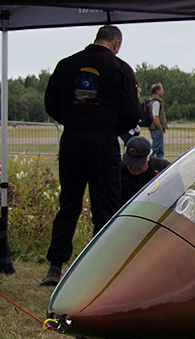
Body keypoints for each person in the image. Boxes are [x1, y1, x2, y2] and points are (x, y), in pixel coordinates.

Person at [41, 25, 141, 286]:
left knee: (69, 203)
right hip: (103, 141)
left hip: (72, 139)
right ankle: (101, 269)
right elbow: (132, 113)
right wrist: (109, 127)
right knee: (105, 207)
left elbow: (50, 103)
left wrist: (73, 120)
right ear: (116, 43)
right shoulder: (120, 69)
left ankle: (55, 265)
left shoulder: (66, 65)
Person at [120, 135, 170, 203]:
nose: (134, 168)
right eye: (130, 164)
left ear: (148, 158)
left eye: (138, 164)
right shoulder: (118, 171)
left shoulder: (164, 169)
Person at [147, 83, 168, 158]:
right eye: (161, 90)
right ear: (158, 91)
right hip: (156, 129)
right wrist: (160, 128)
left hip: (156, 129)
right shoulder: (156, 102)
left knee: (160, 151)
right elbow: (155, 117)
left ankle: (160, 166)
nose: (163, 91)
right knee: (155, 149)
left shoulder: (153, 101)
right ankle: (148, 161)